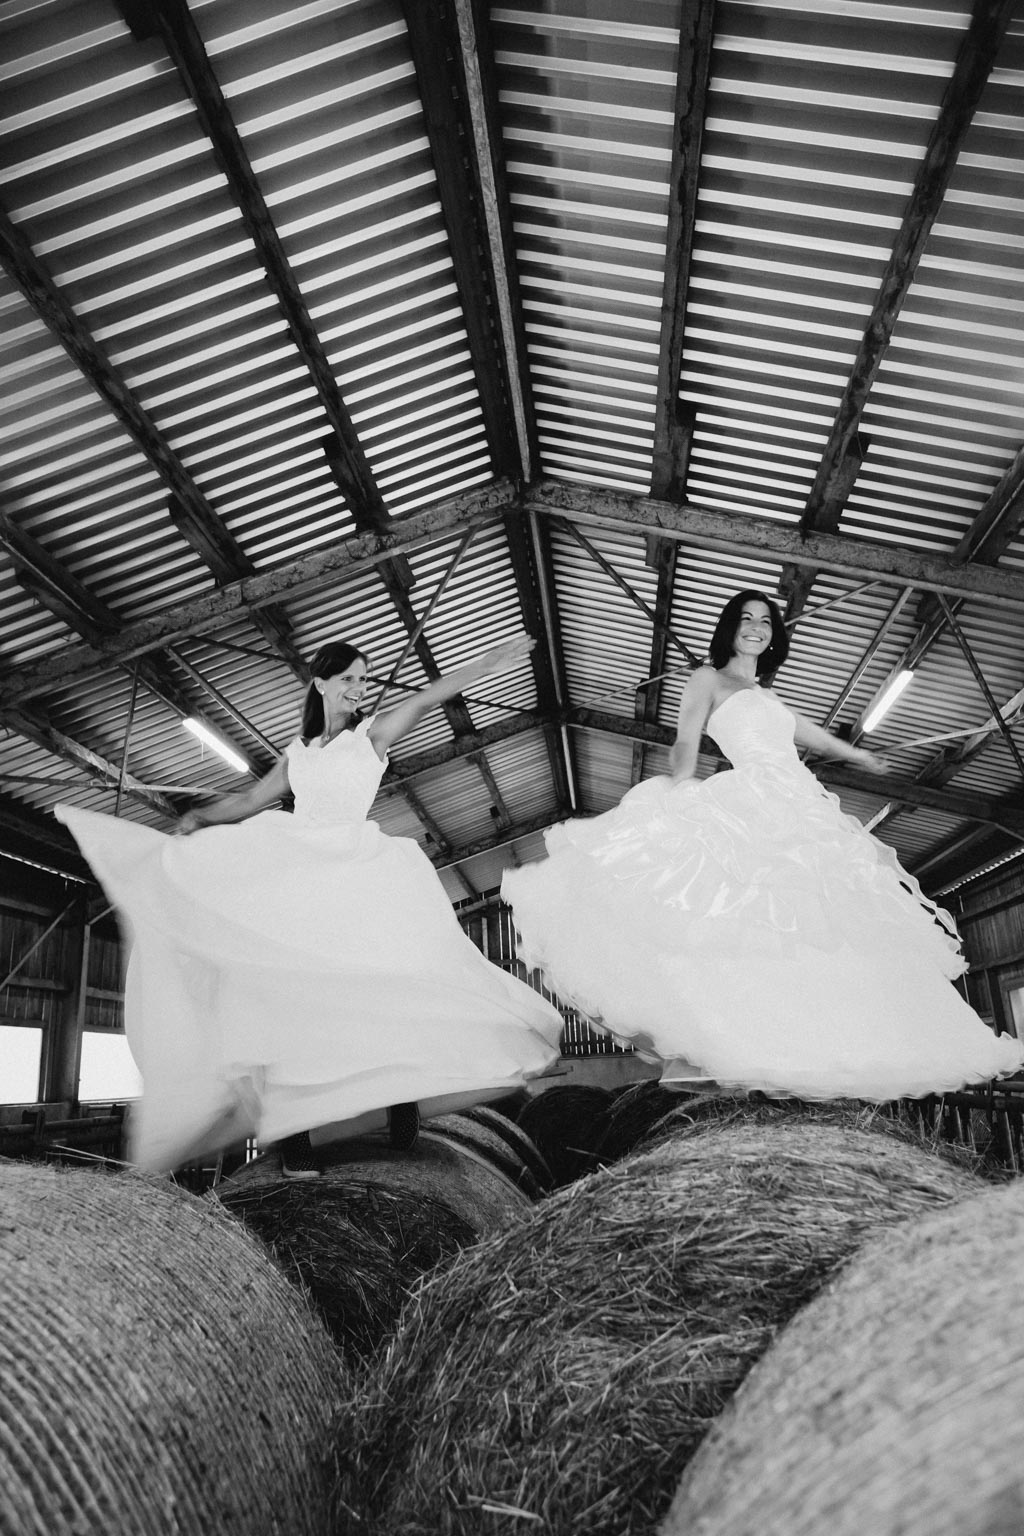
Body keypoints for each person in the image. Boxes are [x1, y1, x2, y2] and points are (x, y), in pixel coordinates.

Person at [56, 633, 563, 1173]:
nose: (358, 688)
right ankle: (294, 1137)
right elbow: (252, 800)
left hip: (358, 871)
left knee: (377, 985)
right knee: (283, 996)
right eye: (348, 678)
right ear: (320, 682)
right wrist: (201, 817)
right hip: (300, 871)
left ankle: (401, 1105)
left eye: (363, 679)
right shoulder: (297, 754)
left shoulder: (371, 737)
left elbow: (426, 698)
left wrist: (490, 660)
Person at [501, 591, 1023, 1100]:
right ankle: (734, 1039)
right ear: (730, 627)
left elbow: (809, 737)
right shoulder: (708, 677)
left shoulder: (770, 696)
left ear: (774, 636)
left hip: (799, 804)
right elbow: (686, 736)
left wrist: (859, 758)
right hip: (751, 794)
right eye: (746, 618)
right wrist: (680, 788)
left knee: (824, 921)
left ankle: (827, 1043)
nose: (756, 627)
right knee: (749, 913)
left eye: (766, 621)